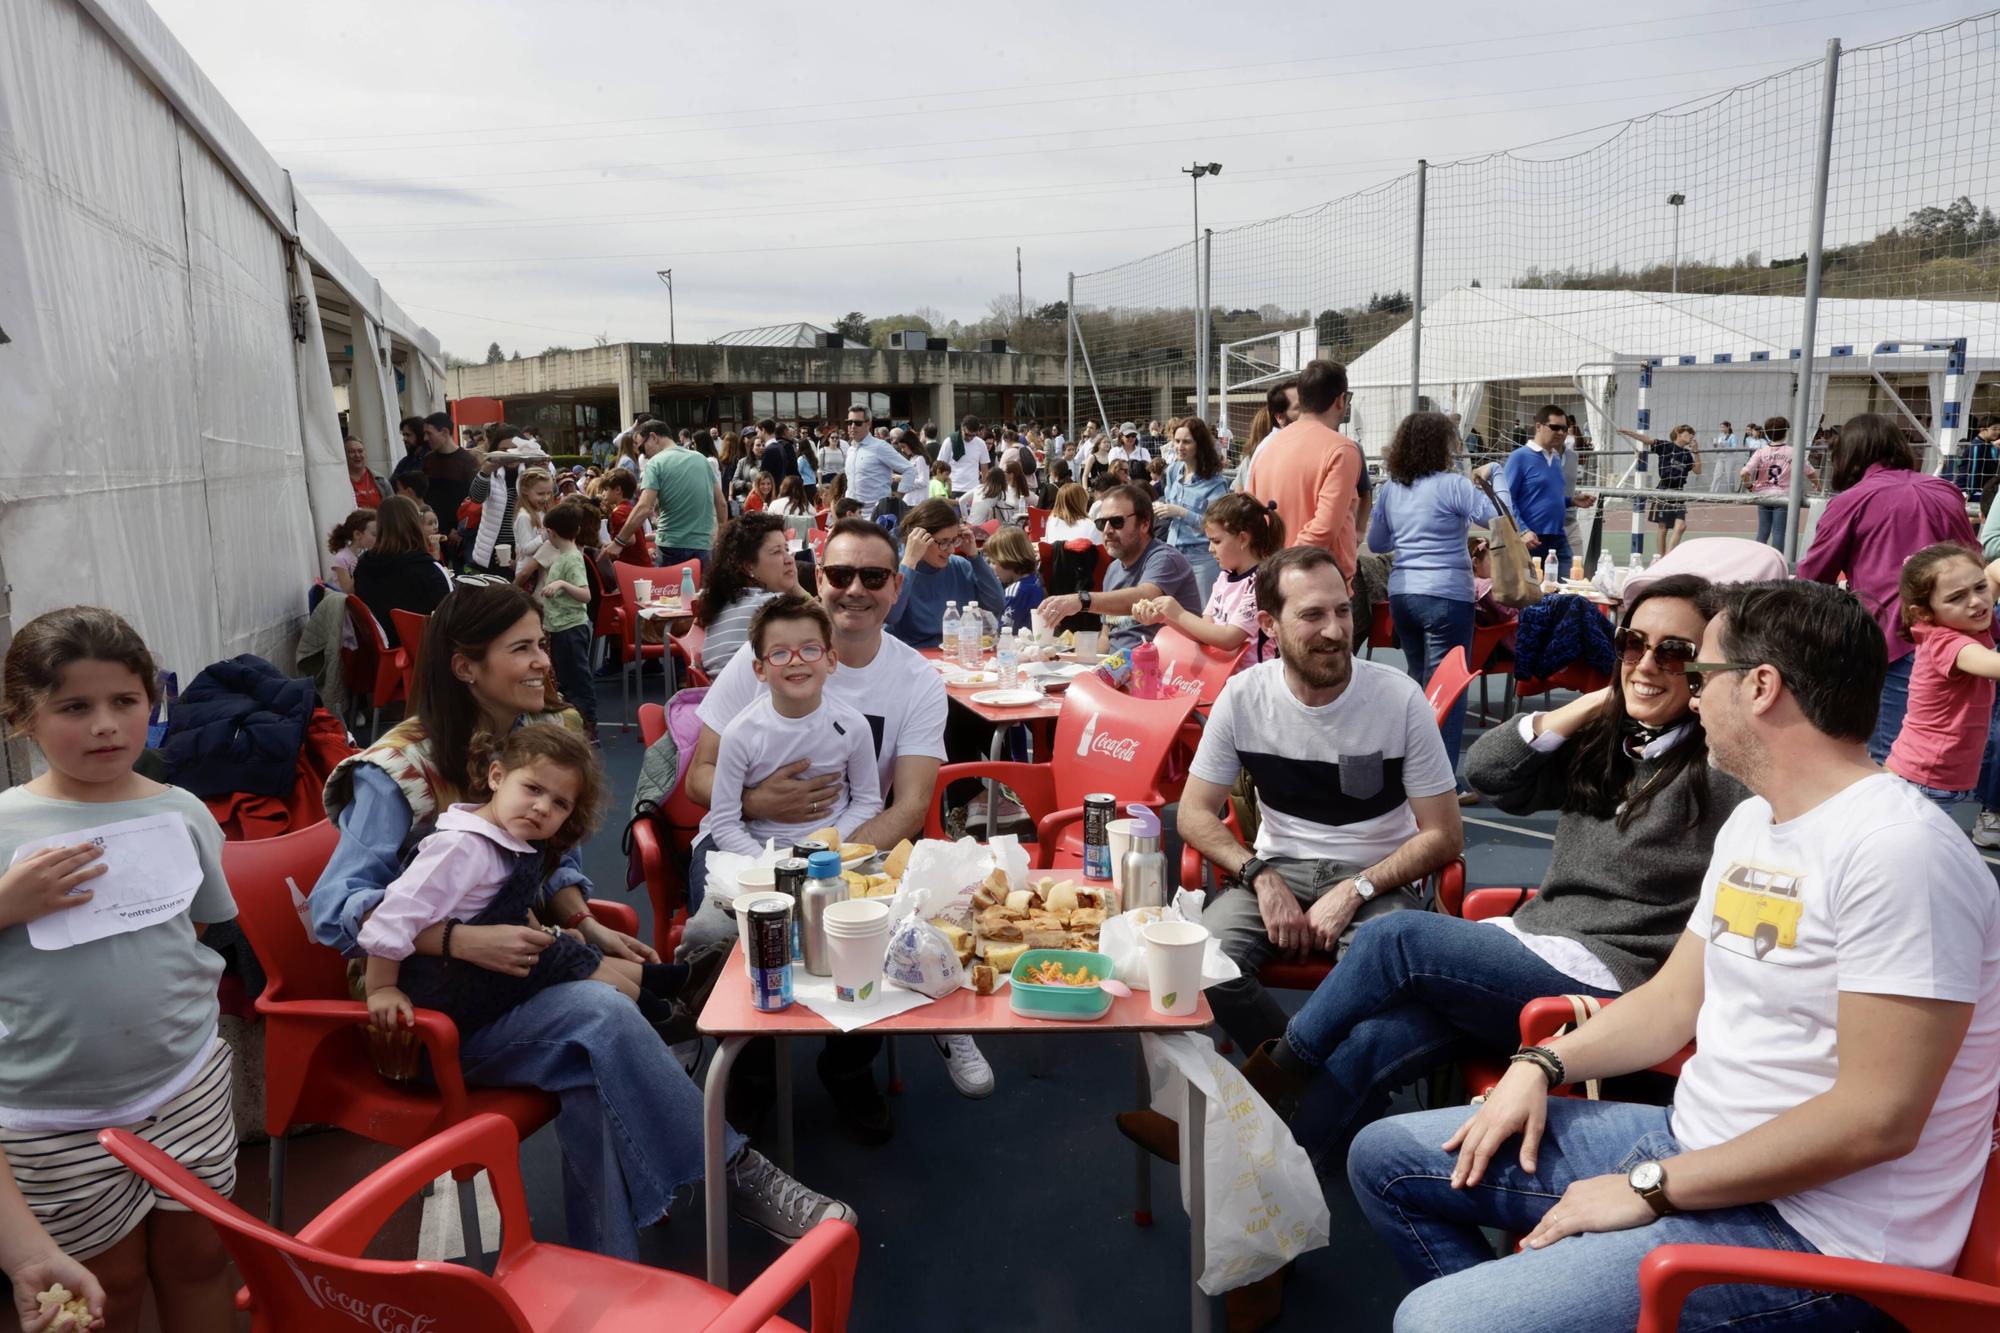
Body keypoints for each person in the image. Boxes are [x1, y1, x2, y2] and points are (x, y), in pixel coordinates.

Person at [1350, 578, 2000, 1333]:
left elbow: (1877, 1118)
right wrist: (1540, 1065)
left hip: (1819, 1236)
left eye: (1701, 674)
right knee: (1384, 1159)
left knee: (1436, 1322)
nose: (1690, 695)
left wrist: (1652, 1186)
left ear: (1760, 687)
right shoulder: (1759, 820)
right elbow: (1670, 1002)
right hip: (1694, 1147)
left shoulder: (1901, 853)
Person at [309, 584, 850, 1257]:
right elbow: (334, 912)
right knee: (599, 1015)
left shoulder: (519, 745)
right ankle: (736, 1171)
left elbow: (532, 859)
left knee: (590, 1063)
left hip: (513, 984)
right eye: (525, 647)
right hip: (426, 1014)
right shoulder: (394, 773)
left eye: (542, 642)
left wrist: (580, 918)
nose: (545, 659)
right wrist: (455, 937)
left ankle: (609, 1268)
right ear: (465, 667)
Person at [685, 520, 989, 1131]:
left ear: (895, 586)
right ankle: (750, 1069)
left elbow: (907, 808)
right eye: (840, 574)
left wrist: (819, 858)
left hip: (849, 846)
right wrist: (754, 799)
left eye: (872, 577)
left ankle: (848, 1067)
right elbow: (699, 778)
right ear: (817, 579)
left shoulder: (917, 684)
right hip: (738, 846)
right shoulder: (770, 651)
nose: (855, 589)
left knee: (873, 924)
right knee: (717, 937)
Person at [0, 607, 238, 1331]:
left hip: (186, 1083)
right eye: (75, 706)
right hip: (50, 1116)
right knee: (109, 1288)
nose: (105, 724)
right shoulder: (6, 826)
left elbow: (191, 924)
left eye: (124, 701)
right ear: (23, 717)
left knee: (201, 1260)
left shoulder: (184, 811)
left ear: (151, 701)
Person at [362, 725, 687, 1035]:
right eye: (533, 789)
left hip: (479, 972)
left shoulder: (515, 840)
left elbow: (514, 905)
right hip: (444, 987)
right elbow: (391, 917)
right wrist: (382, 988)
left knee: (567, 947)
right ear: (497, 776)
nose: (542, 808)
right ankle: (656, 1014)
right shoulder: (460, 847)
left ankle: (670, 983)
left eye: (560, 804)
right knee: (566, 957)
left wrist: (546, 933)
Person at [1798, 413, 1978, 763]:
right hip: (1962, 637)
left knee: (1892, 752)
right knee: (1955, 749)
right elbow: (1974, 556)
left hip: (1896, 638)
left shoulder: (1854, 499)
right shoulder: (1943, 490)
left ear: (1848, 454)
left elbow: (1813, 575)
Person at [1368, 411, 1500, 794]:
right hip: (1446, 593)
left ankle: (1412, 768)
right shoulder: (1453, 485)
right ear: (1441, 445)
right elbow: (1495, 518)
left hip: (1403, 593)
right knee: (1448, 688)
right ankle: (1442, 781)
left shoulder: (1392, 489)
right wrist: (1490, 480)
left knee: (1419, 683)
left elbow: (1377, 543)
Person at [698, 596, 883, 856]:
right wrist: (768, 864)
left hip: (833, 854)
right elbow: (725, 823)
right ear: (760, 669)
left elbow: (867, 802)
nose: (796, 661)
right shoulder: (740, 734)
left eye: (810, 649)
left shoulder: (853, 726)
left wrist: (826, 846)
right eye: (779, 653)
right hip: (758, 855)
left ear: (831, 660)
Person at [1886, 543, 2000, 813]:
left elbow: (1994, 573)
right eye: (1956, 597)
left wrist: (1987, 581)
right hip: (1923, 781)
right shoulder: (1944, 642)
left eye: (1979, 588)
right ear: (1923, 612)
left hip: (1936, 779)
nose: (1976, 601)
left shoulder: (1966, 618)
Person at [1035, 485, 1199, 656]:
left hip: (1159, 670)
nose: (1106, 530)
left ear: (1144, 524)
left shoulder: (1164, 558)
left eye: (1116, 522)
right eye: (1101, 523)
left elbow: (1145, 595)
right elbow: (1107, 636)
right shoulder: (1113, 569)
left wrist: (1082, 600)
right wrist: (1090, 669)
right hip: (1117, 668)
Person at [1130, 491, 1283, 674]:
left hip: (1253, 684)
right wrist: (1164, 617)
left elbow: (1228, 639)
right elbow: (1204, 632)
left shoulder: (1260, 583)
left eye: (1216, 541)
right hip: (1222, 676)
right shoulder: (1224, 577)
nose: (1210, 549)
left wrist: (1178, 614)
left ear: (1243, 538)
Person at [1246, 360, 1365, 578]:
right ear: (1340, 400)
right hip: (1317, 577)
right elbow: (1324, 528)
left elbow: (1251, 513)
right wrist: (1288, 566)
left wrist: (1273, 565)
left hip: (1273, 572)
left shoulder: (1267, 448)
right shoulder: (1341, 448)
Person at [607, 420, 727, 574]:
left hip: (672, 546)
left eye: (642, 448)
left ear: (653, 437)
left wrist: (619, 541)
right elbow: (721, 503)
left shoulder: (655, 463)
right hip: (704, 545)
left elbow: (644, 507)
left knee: (673, 597)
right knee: (702, 596)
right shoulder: (701, 459)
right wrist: (720, 536)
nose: (643, 454)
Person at [884, 499, 1006, 649]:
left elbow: (997, 604)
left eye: (954, 541)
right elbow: (891, 616)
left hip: (954, 654)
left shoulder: (960, 566)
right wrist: (909, 562)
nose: (951, 550)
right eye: (943, 542)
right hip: (910, 655)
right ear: (921, 539)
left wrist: (975, 557)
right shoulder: (897, 567)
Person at [698, 513, 801, 678]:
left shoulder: (725, 606)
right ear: (748, 566)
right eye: (776, 552)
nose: (789, 559)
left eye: (787, 549)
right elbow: (830, 633)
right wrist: (796, 587)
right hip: (753, 698)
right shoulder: (769, 607)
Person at [353, 495, 452, 648]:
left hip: (384, 648)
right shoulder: (427, 568)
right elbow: (449, 615)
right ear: (414, 524)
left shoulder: (363, 565)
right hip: (425, 650)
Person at [533, 502, 597, 735]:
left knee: (578, 680)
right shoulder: (565, 556)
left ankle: (588, 726)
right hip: (561, 627)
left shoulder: (571, 558)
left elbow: (586, 595)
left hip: (571, 628)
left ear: (551, 532)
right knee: (568, 679)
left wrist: (560, 583)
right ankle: (577, 724)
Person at [1497, 405, 1584, 573]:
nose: (1561, 432)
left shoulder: (1556, 459)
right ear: (1538, 426)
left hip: (1558, 537)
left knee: (1566, 590)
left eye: (1564, 428)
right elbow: (1505, 500)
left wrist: (1571, 500)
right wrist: (1523, 531)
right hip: (1531, 540)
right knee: (1532, 595)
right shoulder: (1519, 457)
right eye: (1555, 427)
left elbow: (1541, 497)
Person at [1158, 418, 1231, 605]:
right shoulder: (1173, 471)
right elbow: (1168, 500)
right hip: (1173, 552)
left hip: (1201, 558)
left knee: (1202, 611)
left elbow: (1217, 525)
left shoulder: (1215, 482)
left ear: (1200, 445)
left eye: (1187, 442)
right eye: (1177, 441)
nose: (1180, 446)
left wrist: (1181, 512)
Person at [1617, 423, 1701, 554]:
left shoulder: (1686, 454)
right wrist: (1627, 431)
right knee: (1663, 528)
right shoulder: (1666, 446)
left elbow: (1698, 470)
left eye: (1693, 435)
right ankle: (1662, 558)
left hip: (1678, 493)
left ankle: (1668, 557)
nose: (1691, 436)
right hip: (1664, 490)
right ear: (1678, 434)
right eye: (1689, 433)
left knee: (1681, 527)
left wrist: (1696, 451)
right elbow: (1647, 439)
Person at [1739, 415, 1818, 547]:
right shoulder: (1793, 452)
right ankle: (1778, 562)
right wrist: (1818, 484)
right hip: (1782, 496)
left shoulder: (1760, 452)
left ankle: (1758, 559)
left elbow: (1744, 472)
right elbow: (1810, 471)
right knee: (1779, 532)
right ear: (1786, 432)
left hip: (1763, 495)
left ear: (1767, 433)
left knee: (1763, 532)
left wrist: (1749, 485)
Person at [419, 411, 479, 563]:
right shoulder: (428, 460)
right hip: (431, 532)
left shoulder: (468, 462)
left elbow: (473, 501)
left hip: (459, 537)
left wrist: (460, 531)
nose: (425, 438)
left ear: (444, 432)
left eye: (429, 433)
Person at [842, 405, 919, 509]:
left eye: (857, 423)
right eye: (849, 422)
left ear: (868, 423)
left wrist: (898, 497)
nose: (852, 426)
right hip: (853, 515)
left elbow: (910, 469)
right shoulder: (850, 449)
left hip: (876, 515)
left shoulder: (880, 447)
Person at [983, 526, 1045, 623]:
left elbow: (1004, 629)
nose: (991, 567)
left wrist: (986, 618)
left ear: (1008, 561)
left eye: (994, 563)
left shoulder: (1014, 591)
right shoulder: (1037, 580)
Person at [326, 507, 376, 595]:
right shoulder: (342, 558)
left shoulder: (363, 555)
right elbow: (348, 591)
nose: (379, 539)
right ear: (357, 534)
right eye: (374, 534)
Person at [941, 414, 990, 495]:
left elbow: (984, 468)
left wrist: (985, 488)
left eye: (973, 435)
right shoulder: (949, 441)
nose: (969, 438)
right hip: (953, 488)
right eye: (967, 434)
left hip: (973, 489)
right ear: (962, 428)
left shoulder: (980, 444)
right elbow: (940, 465)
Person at [346, 436, 386, 508]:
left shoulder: (380, 480)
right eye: (352, 452)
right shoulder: (340, 482)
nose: (357, 455)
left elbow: (393, 507)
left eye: (360, 451)